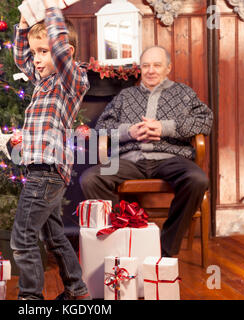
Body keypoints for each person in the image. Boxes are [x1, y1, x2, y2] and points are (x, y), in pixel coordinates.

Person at [80, 46, 213, 258]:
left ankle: (166, 248)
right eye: (146, 65)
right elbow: (102, 127)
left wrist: (165, 128)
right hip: (131, 160)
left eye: (157, 65)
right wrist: (128, 132)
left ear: (168, 67)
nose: (151, 70)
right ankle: (126, 238)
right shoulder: (126, 95)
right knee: (90, 179)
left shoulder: (184, 94)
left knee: (197, 180)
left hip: (170, 158)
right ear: (140, 69)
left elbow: (205, 121)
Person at [11, 0, 90, 300]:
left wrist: (51, 8)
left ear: (65, 53)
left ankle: (30, 299)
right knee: (53, 235)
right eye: (36, 53)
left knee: (22, 237)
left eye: (43, 52)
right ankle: (76, 289)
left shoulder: (72, 80)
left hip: (47, 170)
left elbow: (58, 48)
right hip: (43, 171)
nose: (38, 59)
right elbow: (20, 58)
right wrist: (22, 22)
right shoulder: (42, 81)